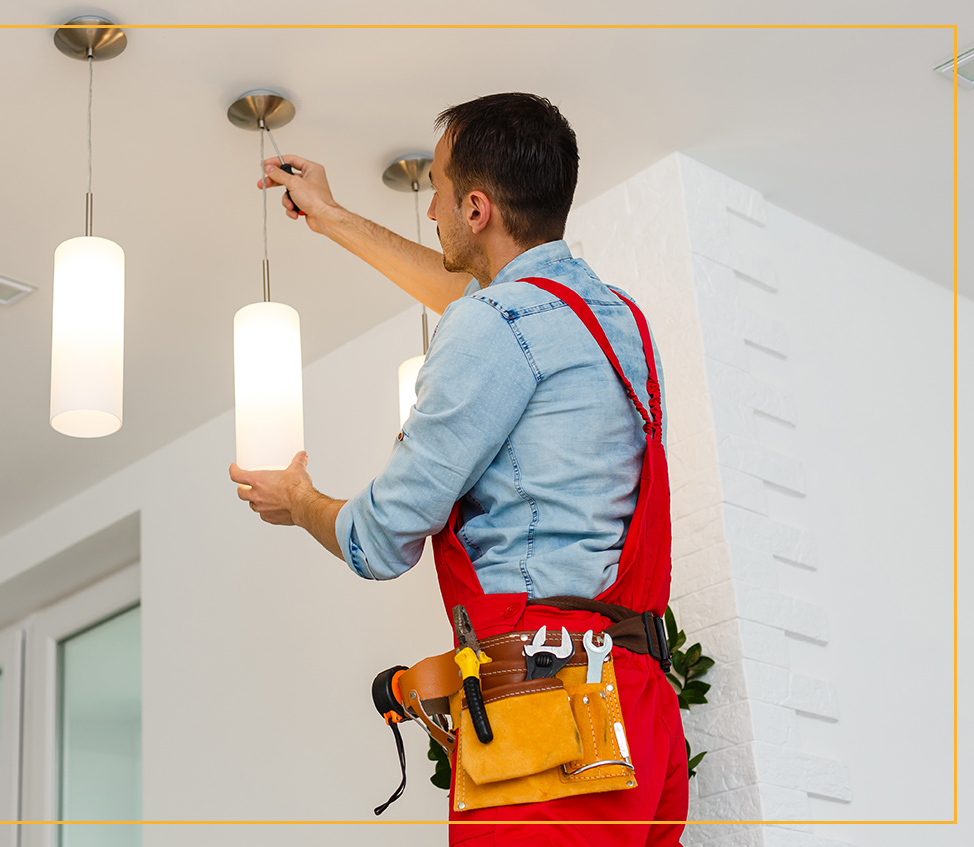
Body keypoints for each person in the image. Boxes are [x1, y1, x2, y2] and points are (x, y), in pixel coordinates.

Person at [229, 92, 687, 846]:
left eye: (438, 188)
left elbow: (377, 541)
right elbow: (487, 304)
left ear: (477, 209)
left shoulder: (495, 327)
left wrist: (302, 498)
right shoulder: (613, 317)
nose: (430, 205)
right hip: (639, 715)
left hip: (551, 718)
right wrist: (334, 215)